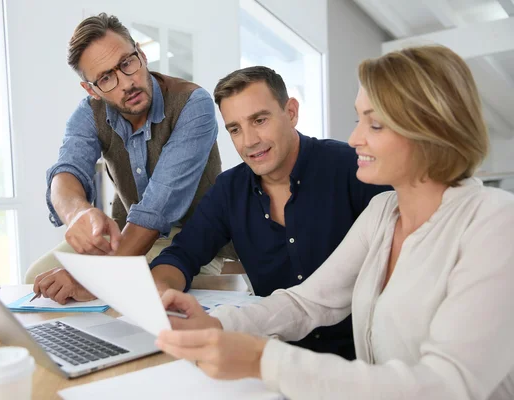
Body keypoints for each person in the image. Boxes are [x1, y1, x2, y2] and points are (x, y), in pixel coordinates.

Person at [155, 45, 514, 400]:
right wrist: (219, 324)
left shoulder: (496, 224)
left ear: (430, 128)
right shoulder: (384, 213)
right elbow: (309, 302)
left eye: (374, 123)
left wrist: (264, 360)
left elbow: (449, 386)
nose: (356, 137)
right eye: (359, 120)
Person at [149, 66, 390, 360]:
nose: (249, 141)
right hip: (273, 351)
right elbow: (183, 253)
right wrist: (161, 291)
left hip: (360, 359)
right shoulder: (229, 190)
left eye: (259, 120)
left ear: (291, 112)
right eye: (235, 129)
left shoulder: (354, 169)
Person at [28, 13, 233, 303]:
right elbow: (66, 171)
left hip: (194, 240)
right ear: (91, 90)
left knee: (124, 296)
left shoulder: (193, 104)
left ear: (142, 53)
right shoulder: (89, 113)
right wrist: (77, 214)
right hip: (124, 234)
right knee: (37, 278)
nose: (126, 83)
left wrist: (95, 278)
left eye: (127, 63)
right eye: (106, 78)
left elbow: (155, 209)